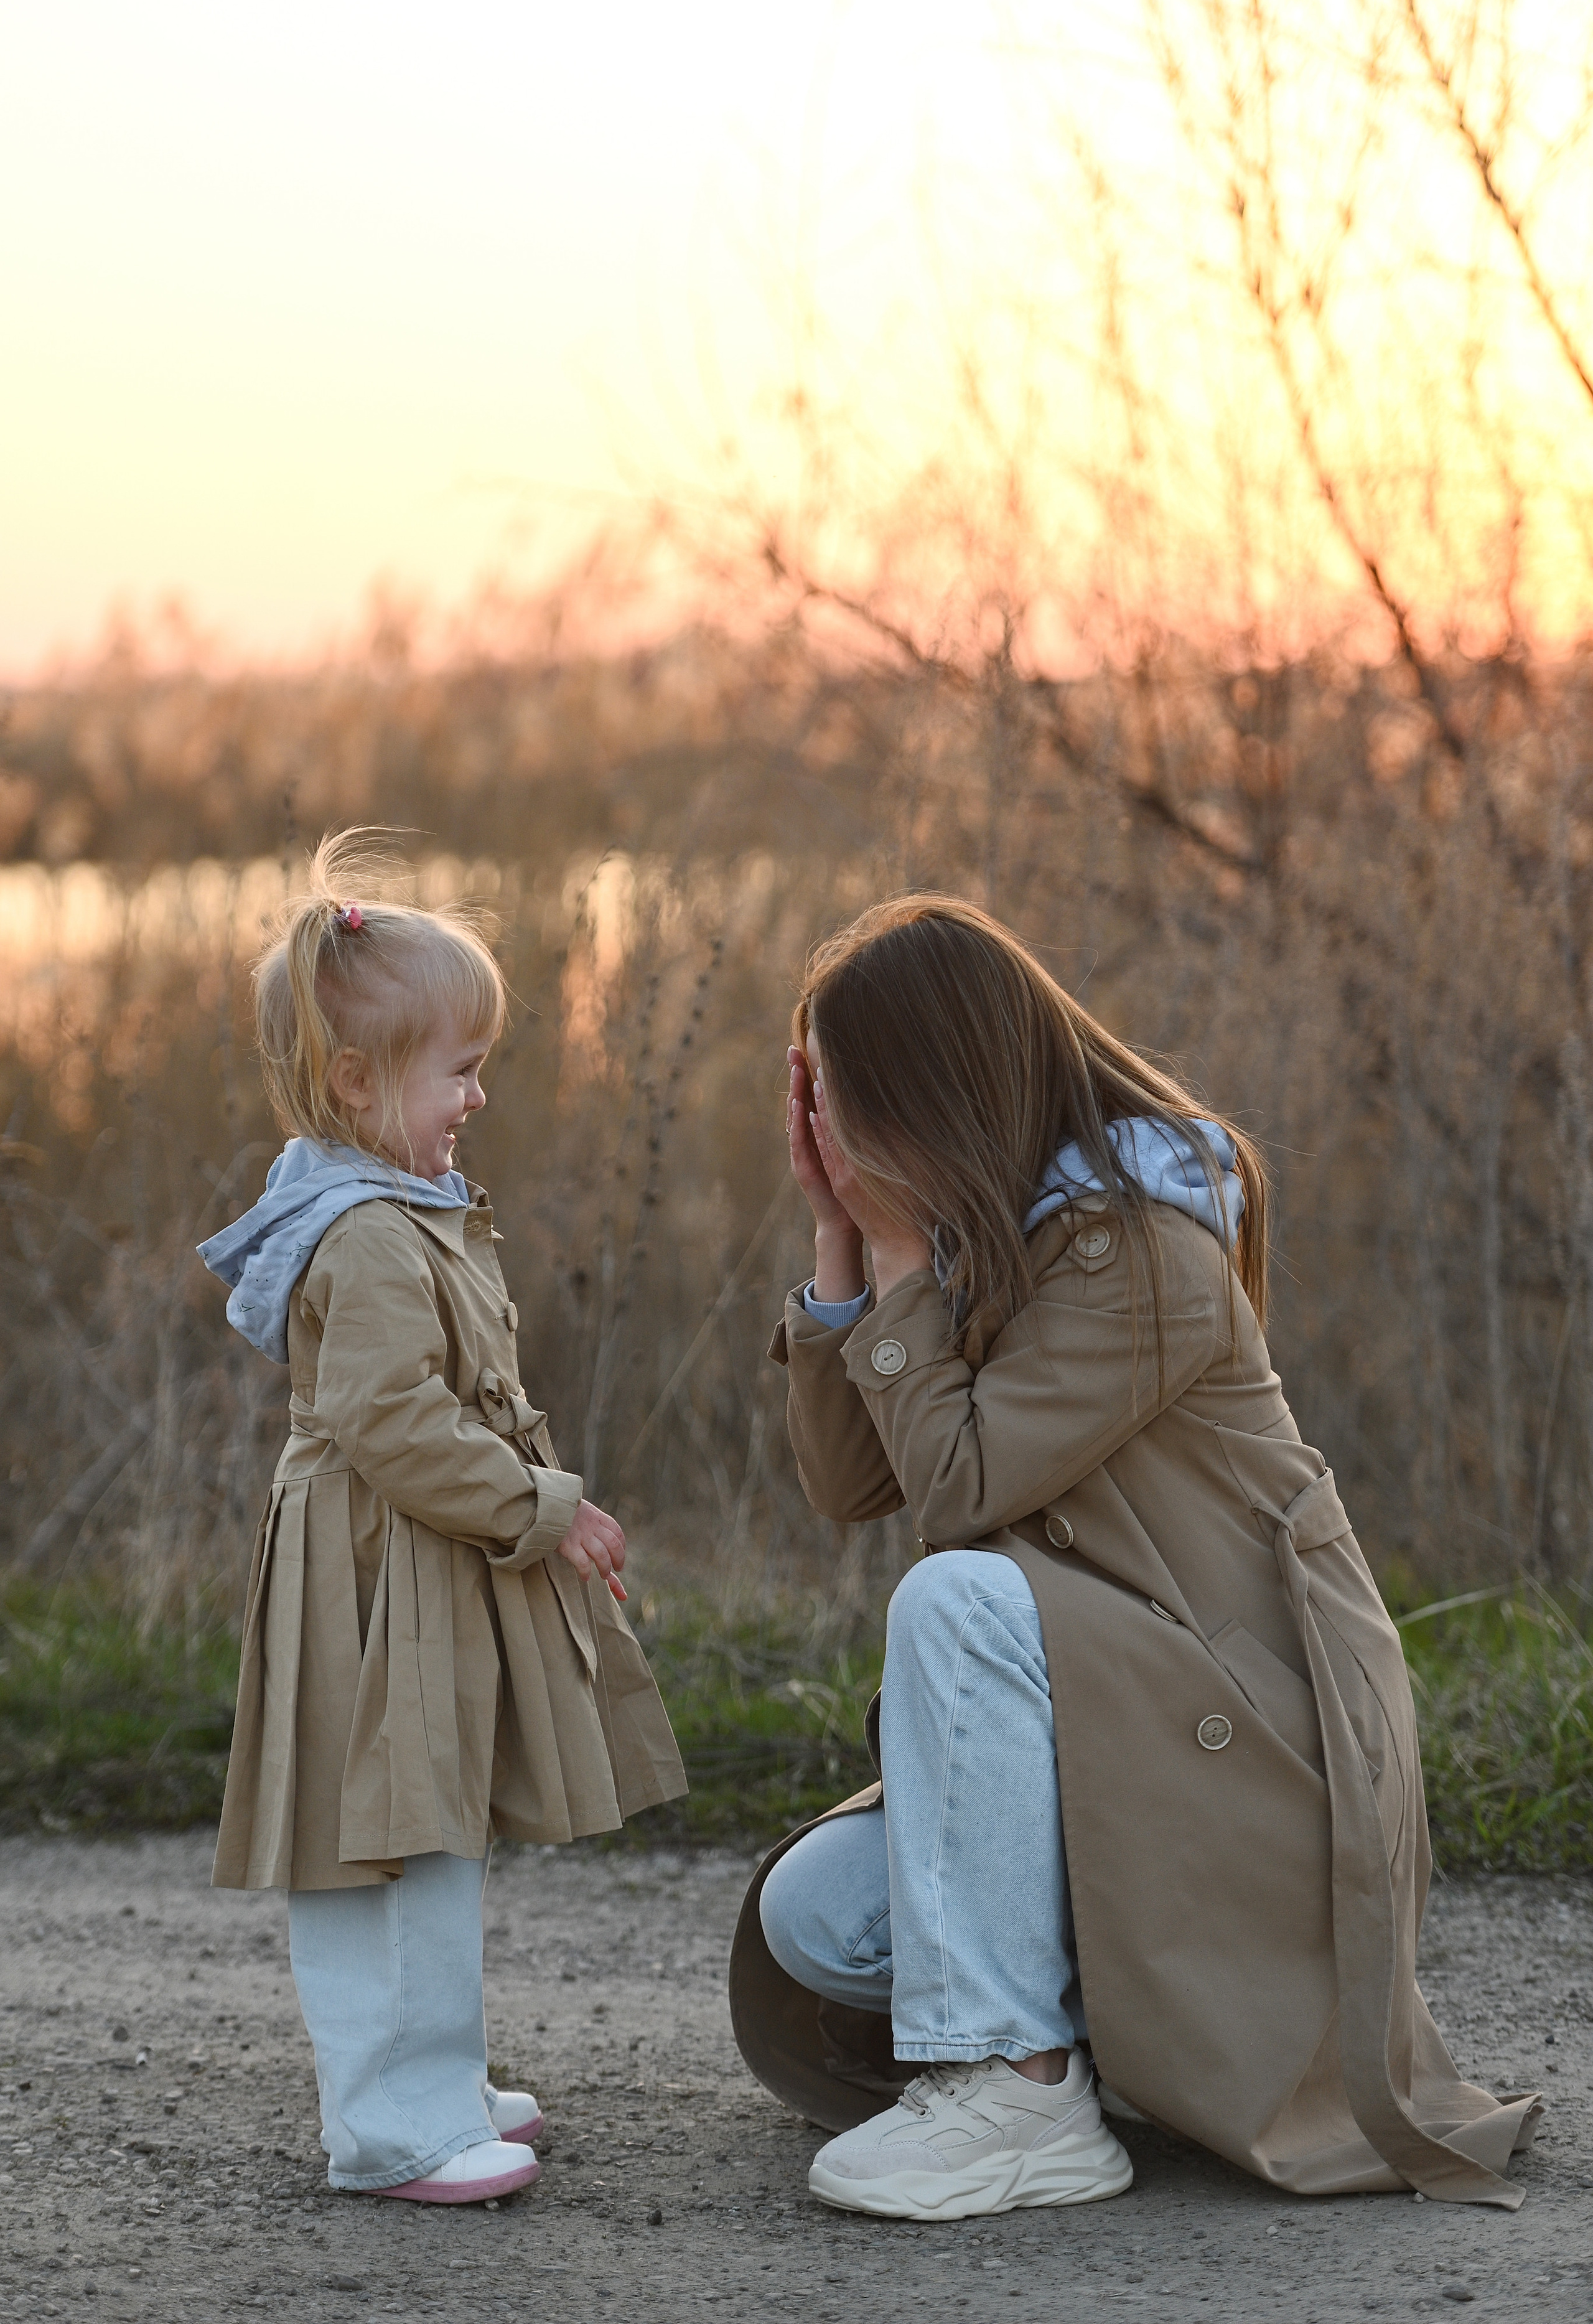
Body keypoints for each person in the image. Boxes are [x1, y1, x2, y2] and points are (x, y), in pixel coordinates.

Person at [729, 894, 1538, 2222]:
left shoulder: (1136, 1246)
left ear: (929, 1089)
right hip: (1137, 1709)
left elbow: (957, 1492)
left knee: (955, 1598)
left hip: (1257, 1735)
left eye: (846, 1104)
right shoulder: (980, 1235)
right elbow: (850, 1480)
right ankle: (1082, 2042)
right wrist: (842, 1248)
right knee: (814, 1918)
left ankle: (1021, 2087)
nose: (830, 1138)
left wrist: (890, 1250)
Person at [200, 832, 684, 2206]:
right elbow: (390, 1422)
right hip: (374, 1573)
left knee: (429, 1827)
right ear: (357, 1082)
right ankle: (391, 2124)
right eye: (457, 1070)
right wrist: (542, 1506)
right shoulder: (363, 1235)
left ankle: (436, 2081)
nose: (478, 1094)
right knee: (388, 1841)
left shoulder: (398, 1209)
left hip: (404, 1565)